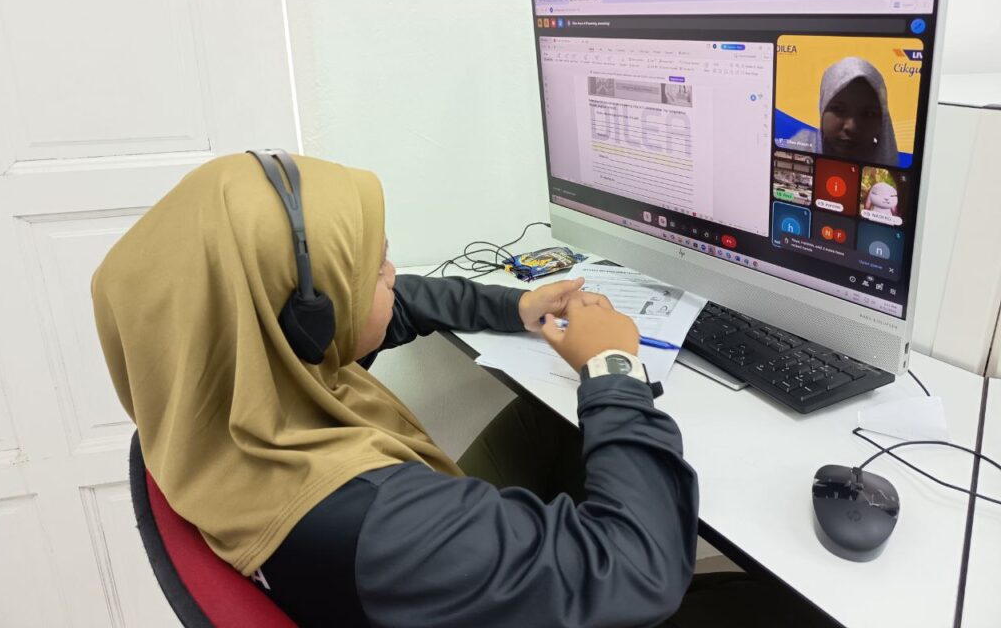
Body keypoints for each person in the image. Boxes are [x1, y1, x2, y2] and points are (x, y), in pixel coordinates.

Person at [93, 153, 838, 628]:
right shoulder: (382, 526)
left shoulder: (223, 383)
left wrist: (517, 306)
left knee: (542, 426)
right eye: (375, 269)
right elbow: (640, 571)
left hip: (382, 579)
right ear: (304, 313)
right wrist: (612, 369)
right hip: (426, 562)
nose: (393, 276)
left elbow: (399, 306)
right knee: (775, 601)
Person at [786, 57, 900, 165]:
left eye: (868, 114)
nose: (851, 127)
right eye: (838, 109)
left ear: (882, 121)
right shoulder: (801, 146)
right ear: (822, 107)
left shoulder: (885, 168)